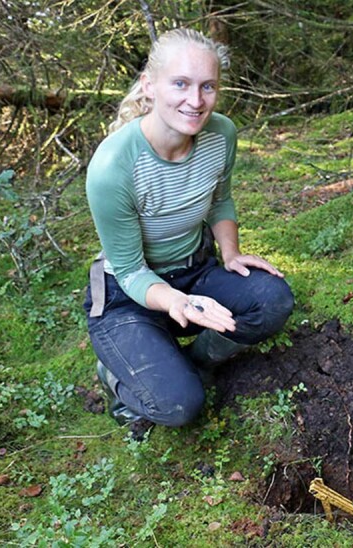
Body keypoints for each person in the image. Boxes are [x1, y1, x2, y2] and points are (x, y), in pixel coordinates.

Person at [82, 28, 294, 437]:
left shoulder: (221, 134)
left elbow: (220, 201)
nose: (195, 101)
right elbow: (128, 271)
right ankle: (117, 374)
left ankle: (191, 363)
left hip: (195, 271)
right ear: (149, 86)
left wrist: (230, 253)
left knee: (273, 300)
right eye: (180, 84)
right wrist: (178, 302)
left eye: (207, 87)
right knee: (180, 404)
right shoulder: (112, 167)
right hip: (127, 296)